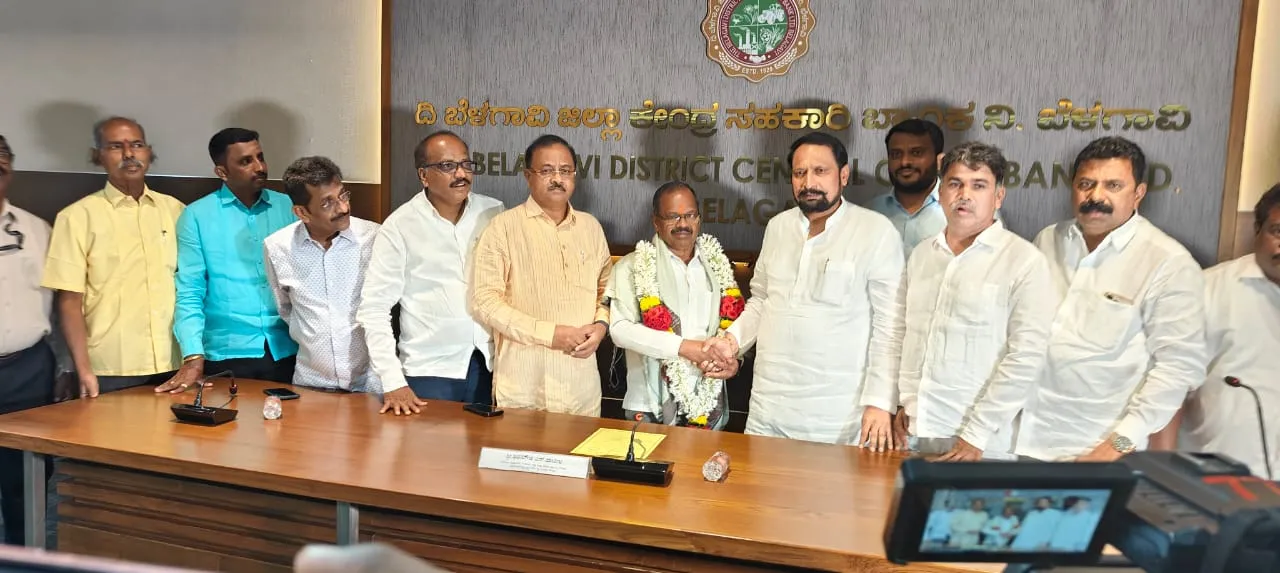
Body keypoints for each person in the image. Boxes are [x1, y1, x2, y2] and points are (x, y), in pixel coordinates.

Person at [706, 132, 905, 446]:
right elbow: (762, 301)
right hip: (768, 408)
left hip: (839, 416)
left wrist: (881, 402)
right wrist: (731, 342)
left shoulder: (875, 231)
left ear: (843, 175)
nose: (809, 182)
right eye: (800, 172)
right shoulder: (778, 227)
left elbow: (890, 326)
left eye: (820, 171)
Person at [1015, 136, 1206, 462]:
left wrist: (1119, 443)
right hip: (1019, 438)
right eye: (1086, 184)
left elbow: (1177, 368)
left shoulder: (1168, 262)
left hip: (1097, 451)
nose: (1095, 196)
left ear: (1138, 193)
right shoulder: (1048, 239)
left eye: (1113, 185)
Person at [888, 142, 1053, 461]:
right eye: (955, 184)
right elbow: (905, 335)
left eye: (979, 185)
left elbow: (1026, 357)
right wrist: (901, 402)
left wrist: (976, 435)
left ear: (998, 196)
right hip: (915, 430)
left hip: (980, 442)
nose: (964, 195)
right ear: (941, 192)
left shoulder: (1024, 261)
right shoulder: (923, 254)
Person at [356, 131, 503, 414]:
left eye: (466, 164)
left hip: (490, 363)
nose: (461, 174)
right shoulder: (400, 226)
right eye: (448, 166)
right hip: (430, 371)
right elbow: (373, 308)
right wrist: (392, 380)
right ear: (423, 175)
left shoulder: (493, 212)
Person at [42, 117, 185, 396]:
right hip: (110, 369)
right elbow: (70, 302)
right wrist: (83, 370)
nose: (129, 154)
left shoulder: (176, 211)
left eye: (137, 145)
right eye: (116, 146)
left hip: (174, 362)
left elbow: (193, 288)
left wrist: (193, 359)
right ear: (98, 156)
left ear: (149, 152)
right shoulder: (76, 217)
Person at [471, 134, 612, 416]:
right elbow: (485, 301)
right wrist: (550, 334)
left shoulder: (591, 228)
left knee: (582, 446)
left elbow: (606, 290)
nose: (557, 179)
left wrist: (601, 326)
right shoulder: (503, 228)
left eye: (565, 171)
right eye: (547, 171)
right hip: (524, 387)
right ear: (528, 176)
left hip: (580, 387)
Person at [159, 128, 298, 393]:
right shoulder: (196, 216)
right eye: (246, 161)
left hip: (288, 349)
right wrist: (192, 356)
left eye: (260, 157)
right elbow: (190, 291)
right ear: (222, 172)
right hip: (227, 354)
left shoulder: (289, 208)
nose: (260, 167)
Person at [606, 181, 740, 429]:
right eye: (672, 217)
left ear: (698, 219)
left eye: (689, 215)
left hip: (708, 403)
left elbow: (731, 329)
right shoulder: (632, 266)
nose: (682, 224)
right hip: (649, 406)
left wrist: (732, 361)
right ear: (656, 222)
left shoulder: (717, 268)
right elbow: (619, 329)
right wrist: (683, 348)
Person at [1176, 184, 1280, 479]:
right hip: (1215, 484)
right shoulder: (1207, 290)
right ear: (1257, 230)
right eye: (1278, 232)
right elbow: (1167, 392)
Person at [264, 157, 379, 392]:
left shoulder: (374, 237)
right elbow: (286, 309)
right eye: (327, 203)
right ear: (301, 212)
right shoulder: (277, 247)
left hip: (370, 384)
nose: (343, 208)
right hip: (311, 383)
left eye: (343, 195)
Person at [0, 135, 55, 545]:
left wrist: (67, 365)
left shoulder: (37, 229)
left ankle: (25, 558)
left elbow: (64, 300)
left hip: (27, 370)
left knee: (24, 480)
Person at [865, 119, 946, 252]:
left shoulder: (958, 212)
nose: (904, 162)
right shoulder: (869, 213)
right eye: (896, 154)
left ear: (939, 161)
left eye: (916, 153)